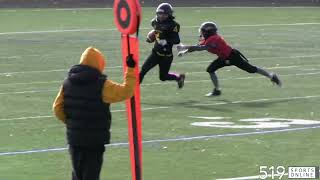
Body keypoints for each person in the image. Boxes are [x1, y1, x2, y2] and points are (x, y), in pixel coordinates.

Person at [52, 47, 136, 180]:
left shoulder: (67, 83)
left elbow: (57, 108)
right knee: (91, 175)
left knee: (77, 174)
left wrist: (72, 123)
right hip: (94, 140)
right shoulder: (102, 85)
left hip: (75, 139)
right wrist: (130, 69)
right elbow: (127, 92)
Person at [177, 21, 282, 96]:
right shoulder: (209, 38)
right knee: (210, 69)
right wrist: (184, 52)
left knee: (251, 69)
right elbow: (197, 46)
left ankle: (271, 76)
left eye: (203, 31)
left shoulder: (214, 38)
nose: (201, 33)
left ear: (207, 31)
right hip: (223, 58)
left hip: (232, 56)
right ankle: (217, 90)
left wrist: (184, 47)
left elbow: (202, 48)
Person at [139, 2, 185, 88]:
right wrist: (150, 37)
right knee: (143, 70)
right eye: (159, 13)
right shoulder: (154, 22)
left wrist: (166, 41)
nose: (161, 16)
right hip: (156, 53)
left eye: (164, 14)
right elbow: (157, 32)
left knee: (163, 77)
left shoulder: (173, 25)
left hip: (166, 56)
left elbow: (176, 40)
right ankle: (133, 91)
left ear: (169, 14)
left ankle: (178, 77)